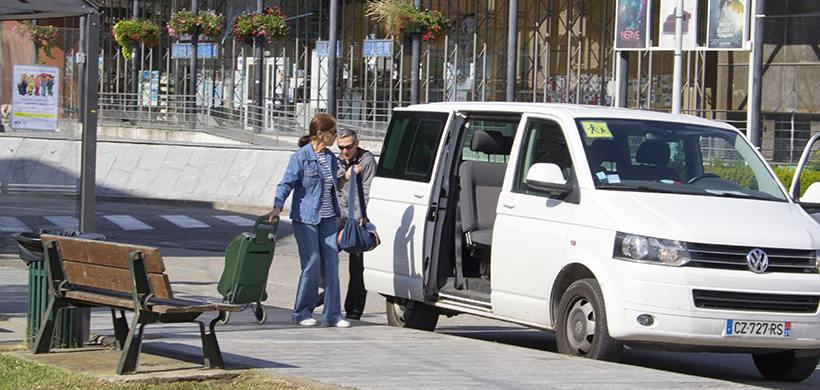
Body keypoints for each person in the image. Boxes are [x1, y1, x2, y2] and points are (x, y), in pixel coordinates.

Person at [267, 114, 351, 328]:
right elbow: (286, 183)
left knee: (332, 264)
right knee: (312, 264)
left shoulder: (331, 158)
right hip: (306, 218)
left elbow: (333, 186)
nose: (335, 137)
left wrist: (347, 177)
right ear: (320, 134)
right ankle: (302, 312)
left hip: (329, 218)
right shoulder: (300, 157)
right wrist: (278, 207)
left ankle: (333, 315)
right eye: (332, 132)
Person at [335, 128, 377, 320]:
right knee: (321, 254)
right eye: (341, 147)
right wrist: (346, 177)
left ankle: (353, 310)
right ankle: (321, 294)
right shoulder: (337, 161)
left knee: (357, 267)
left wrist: (353, 225)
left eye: (348, 147)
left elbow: (367, 193)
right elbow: (333, 187)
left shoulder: (366, 161)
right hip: (338, 213)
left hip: (357, 216)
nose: (345, 151)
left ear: (357, 143)